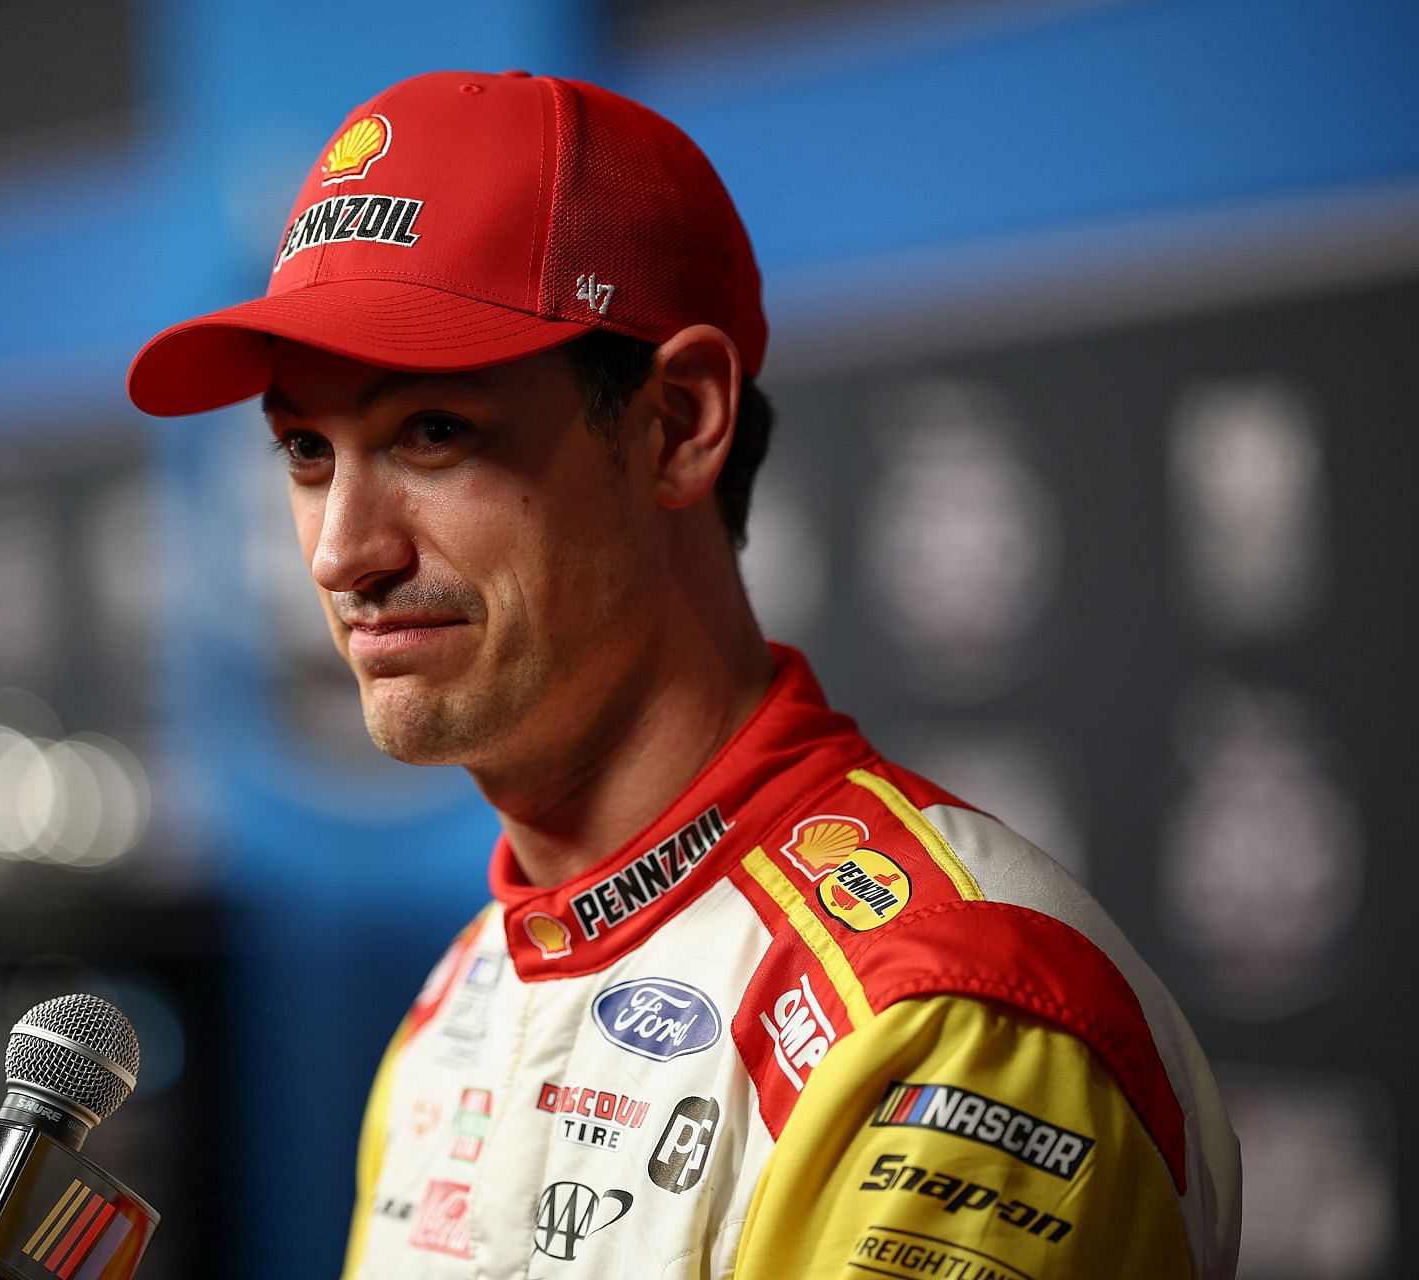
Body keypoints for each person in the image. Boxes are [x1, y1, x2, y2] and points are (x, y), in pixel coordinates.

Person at [127, 69, 1239, 1279]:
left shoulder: (940, 1029)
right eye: (305, 450)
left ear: (679, 422)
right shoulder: (460, 1007)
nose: (344, 549)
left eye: (432, 430)